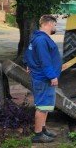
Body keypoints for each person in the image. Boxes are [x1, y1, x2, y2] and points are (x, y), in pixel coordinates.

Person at [24, 15, 62, 143]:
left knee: (45, 105)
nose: (55, 27)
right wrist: (52, 76)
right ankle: (38, 134)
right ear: (49, 23)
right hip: (44, 78)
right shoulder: (41, 40)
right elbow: (45, 60)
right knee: (42, 106)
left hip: (41, 77)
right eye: (55, 25)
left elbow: (29, 54)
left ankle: (43, 129)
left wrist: (29, 64)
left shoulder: (37, 37)